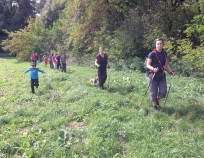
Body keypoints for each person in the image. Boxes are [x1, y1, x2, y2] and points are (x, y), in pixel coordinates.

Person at [146, 38, 175, 110]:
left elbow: (166, 64)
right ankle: (155, 107)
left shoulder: (164, 53)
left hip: (162, 76)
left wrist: (171, 72)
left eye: (161, 43)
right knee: (153, 93)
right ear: (155, 45)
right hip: (153, 76)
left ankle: (154, 101)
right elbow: (147, 65)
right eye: (158, 43)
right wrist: (153, 69)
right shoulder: (152, 54)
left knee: (163, 92)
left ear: (163, 44)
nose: (159, 45)